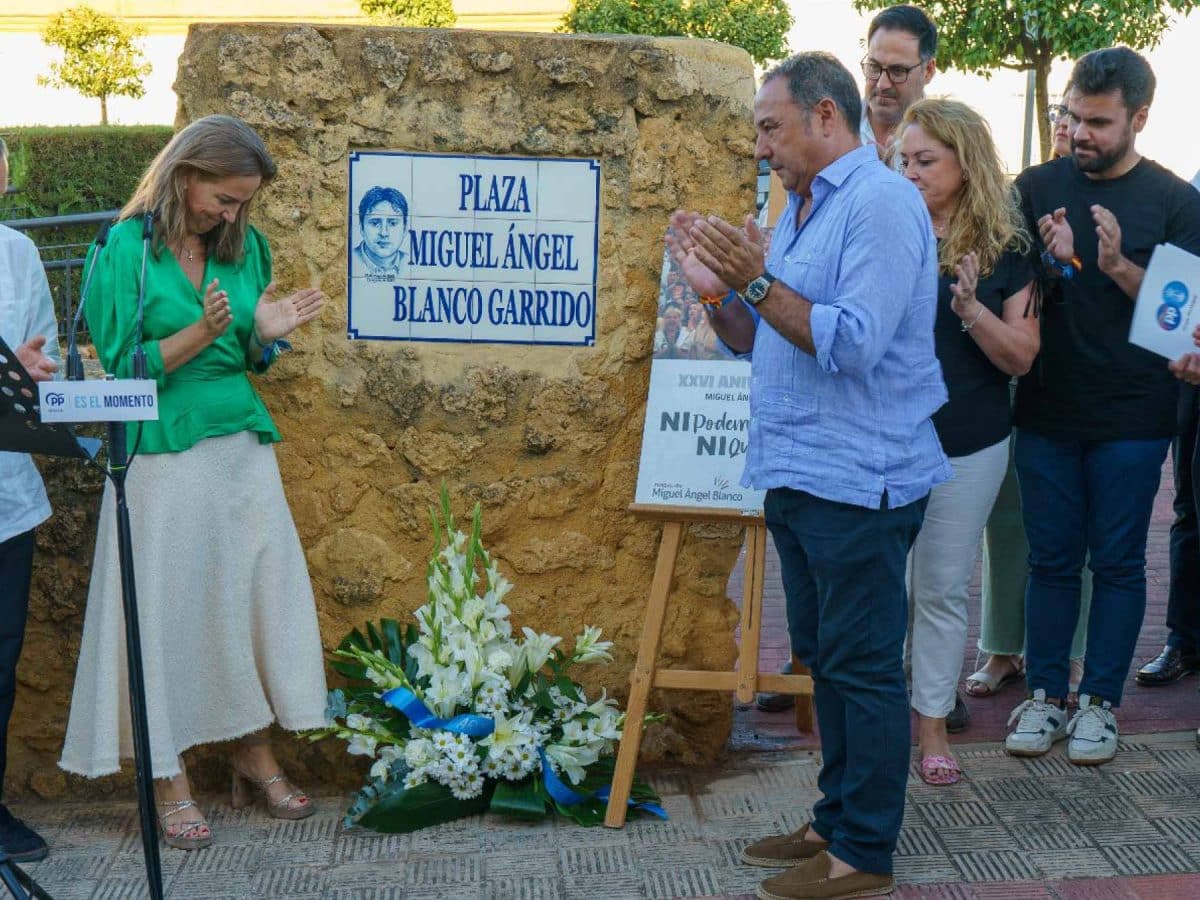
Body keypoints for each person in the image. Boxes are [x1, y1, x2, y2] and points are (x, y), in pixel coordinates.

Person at [668, 52, 948, 900]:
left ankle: (865, 850)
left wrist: (756, 277)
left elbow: (853, 341)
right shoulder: (797, 209)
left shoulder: (883, 206)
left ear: (826, 117)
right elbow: (762, 338)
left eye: (769, 127)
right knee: (825, 662)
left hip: (862, 479)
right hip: (798, 471)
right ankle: (833, 821)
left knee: (861, 668)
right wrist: (721, 294)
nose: (760, 149)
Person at [59, 115, 330, 849]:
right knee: (165, 612)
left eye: (244, 202)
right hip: (160, 451)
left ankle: (250, 749)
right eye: (226, 198)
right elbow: (123, 366)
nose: (234, 214)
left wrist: (260, 336)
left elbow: (245, 353)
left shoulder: (245, 248)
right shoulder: (125, 251)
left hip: (241, 446)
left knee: (242, 601)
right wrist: (201, 335)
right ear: (187, 176)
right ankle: (166, 772)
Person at [1004, 48, 1200, 765]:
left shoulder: (1176, 201)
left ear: (1139, 118)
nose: (1078, 132)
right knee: (1051, 559)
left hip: (1135, 414)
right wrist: (1055, 264)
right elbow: (1014, 288)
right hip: (1048, 407)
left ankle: (1101, 704)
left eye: (1096, 121)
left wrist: (1116, 266)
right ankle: (1046, 694)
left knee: (1117, 562)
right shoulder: (1032, 187)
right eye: (1069, 116)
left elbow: (1182, 323)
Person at [896, 99, 1040, 786]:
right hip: (883, 439)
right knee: (886, 587)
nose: (912, 171)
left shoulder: (1009, 248)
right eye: (905, 160)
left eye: (926, 161)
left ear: (965, 162)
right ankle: (880, 718)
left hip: (968, 444)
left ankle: (930, 727)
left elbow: (1021, 356)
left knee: (942, 587)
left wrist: (970, 308)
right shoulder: (886, 228)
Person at [970, 86, 1093, 707]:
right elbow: (1006, 261)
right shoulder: (1030, 187)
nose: (1067, 125)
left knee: (1082, 527)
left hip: (1092, 376)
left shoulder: (1130, 188)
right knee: (1007, 515)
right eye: (1060, 114)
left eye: (1080, 115)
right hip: (1023, 369)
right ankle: (1000, 648)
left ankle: (1072, 655)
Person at [0, 140, 59, 862]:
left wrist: (35, 372)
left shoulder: (18, 254)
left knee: (2, 659)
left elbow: (33, 355)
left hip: (7, 496)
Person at [1138, 168, 1200, 688]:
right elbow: (1179, 272)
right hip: (1191, 372)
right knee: (1188, 509)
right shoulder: (1193, 189)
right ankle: (1183, 640)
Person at [860, 5, 937, 161]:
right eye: (874, 67)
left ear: (928, 71)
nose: (882, 84)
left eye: (898, 71)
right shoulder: (832, 127)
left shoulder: (947, 142)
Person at [351, 185, 409, 280]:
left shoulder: (410, 263)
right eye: (375, 223)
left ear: (405, 229)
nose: (384, 233)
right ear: (361, 228)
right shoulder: (347, 261)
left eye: (393, 223)